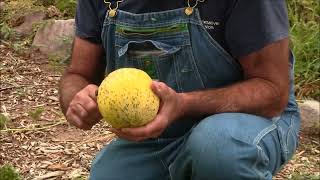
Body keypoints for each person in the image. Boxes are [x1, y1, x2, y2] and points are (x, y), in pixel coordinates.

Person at [59, 0, 301, 179]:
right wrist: (77, 100)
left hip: (250, 122)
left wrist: (184, 103)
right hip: (159, 137)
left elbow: (272, 91)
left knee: (218, 148)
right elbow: (78, 74)